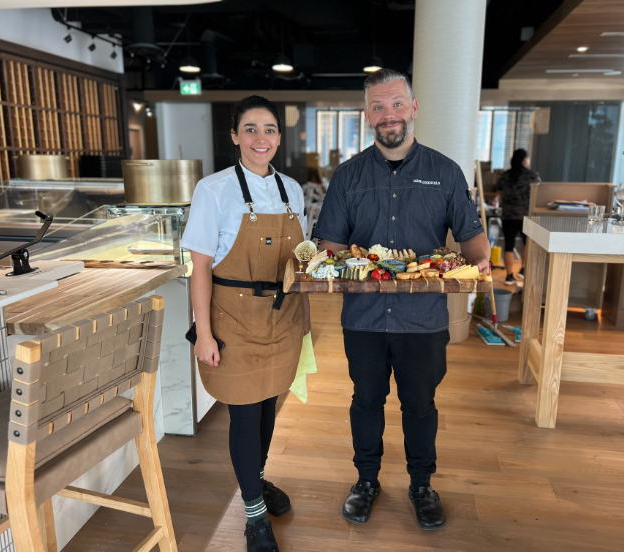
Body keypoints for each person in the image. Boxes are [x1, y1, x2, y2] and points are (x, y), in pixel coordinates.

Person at [314, 69, 490, 531]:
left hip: (423, 320)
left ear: (413, 109)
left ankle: (421, 485)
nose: (388, 115)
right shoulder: (348, 177)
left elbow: (473, 243)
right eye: (378, 107)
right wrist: (321, 262)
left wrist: (479, 266)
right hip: (364, 318)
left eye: (396, 105)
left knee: (420, 405)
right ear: (367, 115)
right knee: (366, 401)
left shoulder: (445, 172)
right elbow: (329, 245)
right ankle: (366, 481)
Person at [181, 95, 310, 552]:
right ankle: (254, 516)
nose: (262, 138)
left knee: (269, 404)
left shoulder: (293, 190)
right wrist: (204, 333)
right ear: (235, 136)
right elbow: (199, 268)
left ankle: (255, 482)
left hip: (283, 315)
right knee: (244, 410)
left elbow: (300, 259)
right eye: (251, 129)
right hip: (231, 317)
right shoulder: (212, 189)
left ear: (279, 137)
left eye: (270, 129)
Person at [495, 148, 540, 284]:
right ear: (524, 160)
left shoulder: (506, 175)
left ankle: (509, 276)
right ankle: (523, 269)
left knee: (509, 245)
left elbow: (500, 192)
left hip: (509, 215)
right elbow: (538, 194)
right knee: (527, 243)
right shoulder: (532, 175)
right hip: (526, 215)